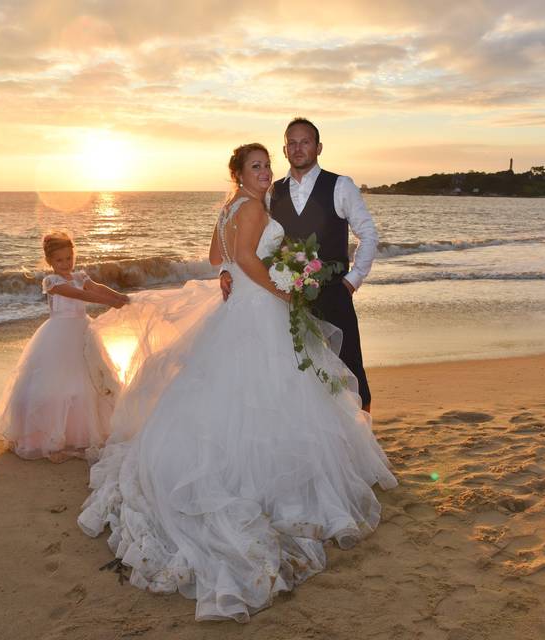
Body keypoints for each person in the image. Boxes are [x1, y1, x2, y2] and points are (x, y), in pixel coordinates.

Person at [78, 144, 396, 622]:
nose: (266, 172)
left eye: (268, 164)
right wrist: (282, 290)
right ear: (239, 174)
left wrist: (231, 274)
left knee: (236, 392)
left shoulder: (228, 207)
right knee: (270, 391)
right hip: (260, 307)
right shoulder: (249, 208)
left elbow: (216, 256)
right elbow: (246, 257)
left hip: (237, 307)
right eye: (257, 166)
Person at [220, 118, 378, 412]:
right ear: (284, 149)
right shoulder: (271, 192)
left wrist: (353, 279)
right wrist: (225, 271)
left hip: (333, 293)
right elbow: (247, 241)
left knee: (351, 371)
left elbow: (367, 233)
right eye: (292, 143)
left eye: (305, 142)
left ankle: (363, 443)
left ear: (318, 147)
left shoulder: (340, 185)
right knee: (301, 378)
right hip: (287, 299)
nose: (298, 148)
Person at [0, 231, 129, 462]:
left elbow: (95, 288)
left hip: (83, 332)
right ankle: (51, 438)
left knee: (86, 380)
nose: (66, 263)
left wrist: (121, 297)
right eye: (60, 260)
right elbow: (78, 295)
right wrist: (110, 303)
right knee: (56, 381)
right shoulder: (52, 282)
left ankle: (82, 433)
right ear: (50, 262)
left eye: (69, 258)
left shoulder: (80, 275)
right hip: (58, 336)